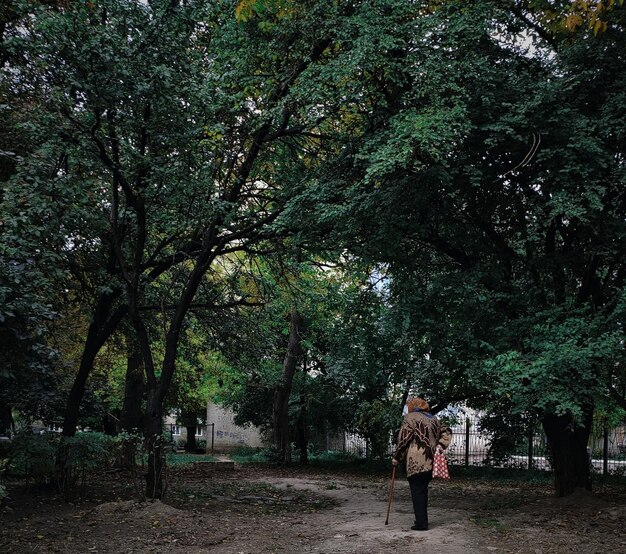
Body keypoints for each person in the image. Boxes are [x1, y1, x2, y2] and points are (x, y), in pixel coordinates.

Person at [391, 396, 452, 531]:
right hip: (431, 461)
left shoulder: (410, 418)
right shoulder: (433, 418)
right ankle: (421, 520)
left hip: (416, 461)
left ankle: (421, 523)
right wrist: (441, 445)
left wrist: (397, 457)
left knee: (417, 491)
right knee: (422, 490)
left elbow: (404, 439)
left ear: (413, 406)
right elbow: (447, 431)